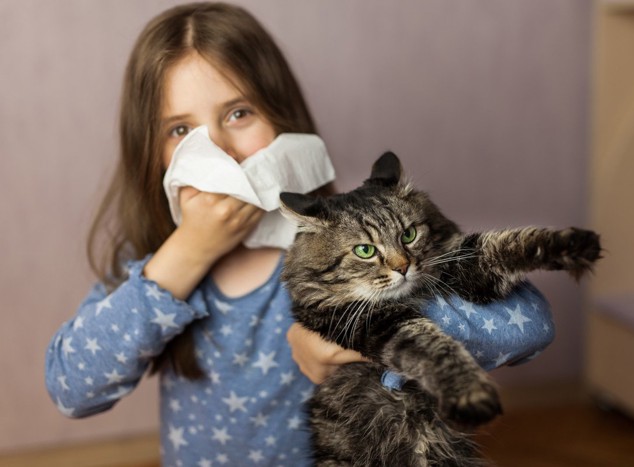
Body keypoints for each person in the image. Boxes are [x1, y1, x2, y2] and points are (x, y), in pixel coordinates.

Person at [45, 3, 555, 466]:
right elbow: (72, 388)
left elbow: (531, 326)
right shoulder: (154, 266)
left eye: (238, 114)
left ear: (282, 118)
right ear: (151, 153)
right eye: (180, 130)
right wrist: (184, 256)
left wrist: (369, 336)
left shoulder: (353, 254)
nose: (219, 150)